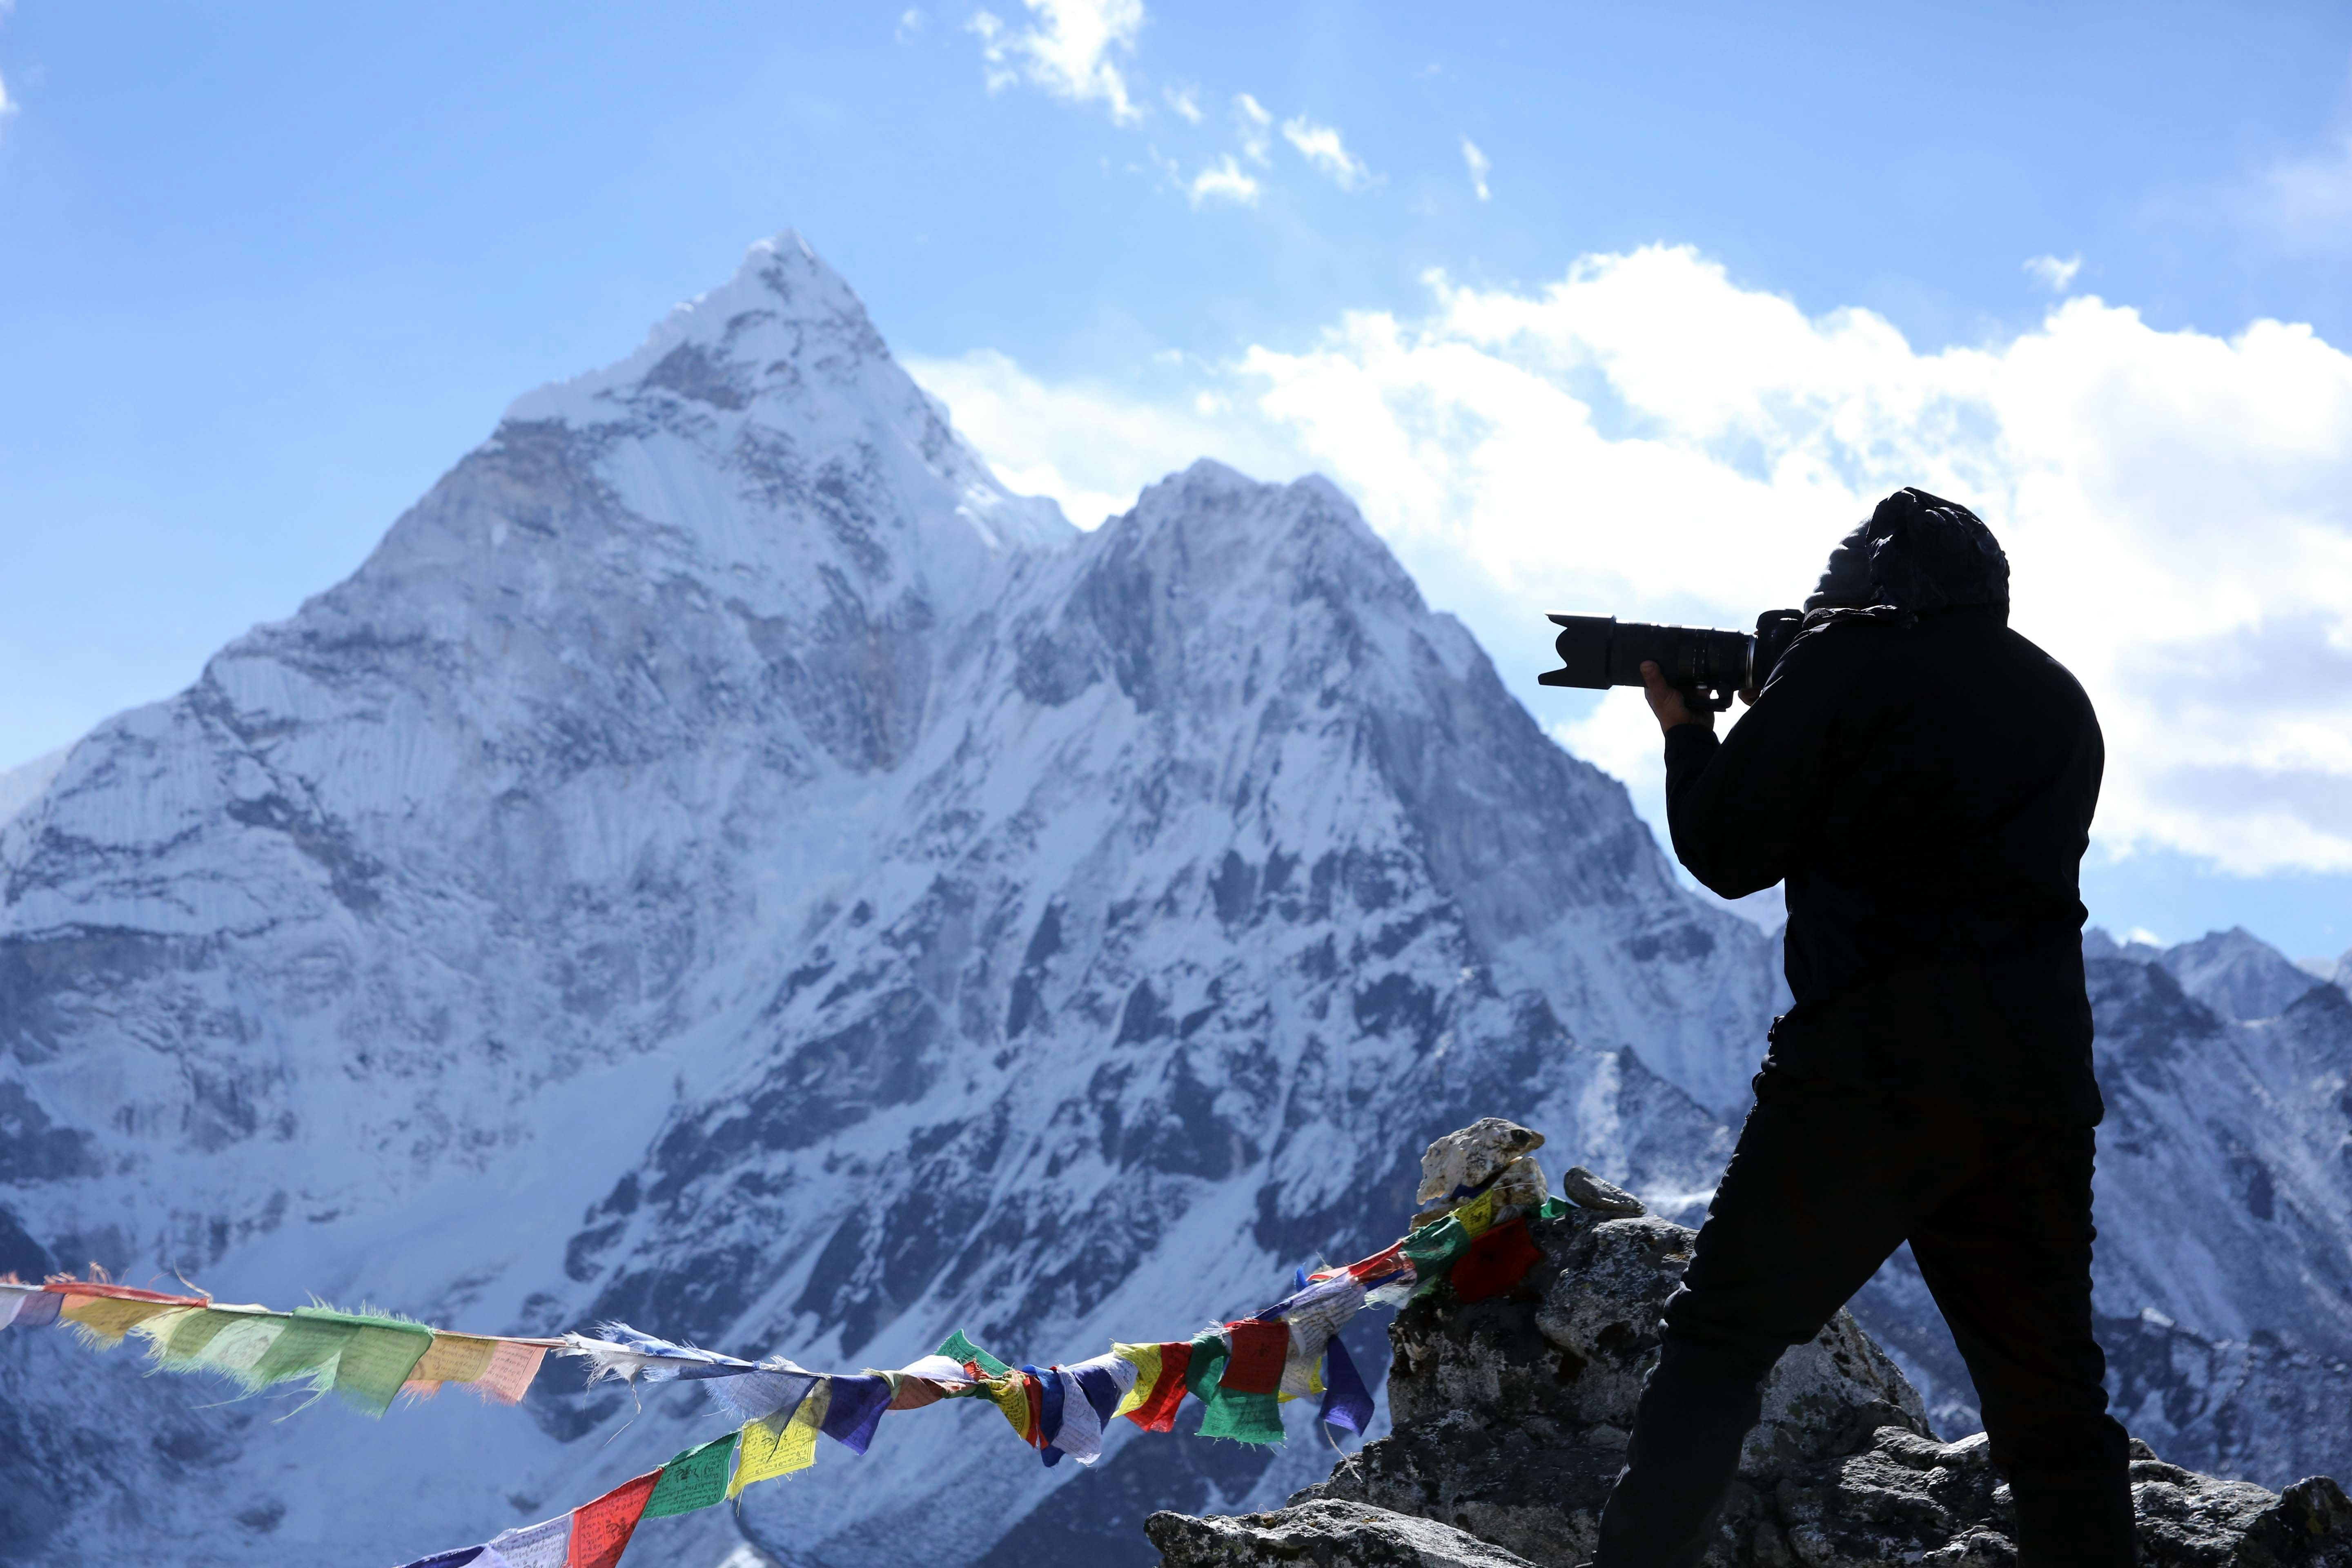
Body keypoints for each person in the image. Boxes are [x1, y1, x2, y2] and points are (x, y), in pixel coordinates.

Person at [1592, 488, 2132, 1566]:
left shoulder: (1846, 666)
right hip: (2033, 1093)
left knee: (1718, 1344)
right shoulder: (2060, 700)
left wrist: (1692, 732)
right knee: (2051, 1409)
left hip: (1865, 1079)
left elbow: (1728, 851)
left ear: (1873, 600)